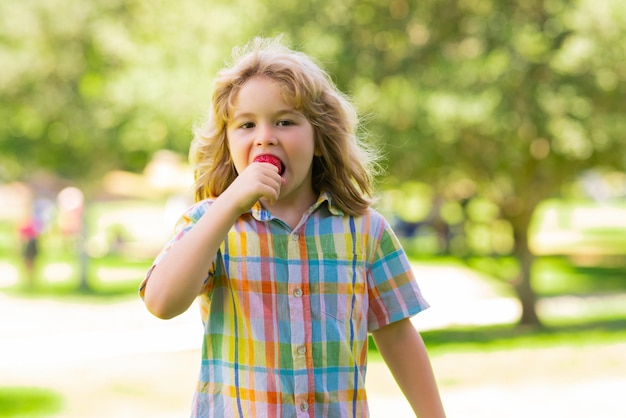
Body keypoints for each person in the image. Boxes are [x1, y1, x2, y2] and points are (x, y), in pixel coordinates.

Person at [140, 36, 446, 418]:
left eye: (285, 121)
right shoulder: (210, 225)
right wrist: (230, 204)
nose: (265, 136)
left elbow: (398, 334)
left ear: (319, 139)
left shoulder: (365, 230)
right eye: (246, 125)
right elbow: (161, 302)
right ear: (228, 142)